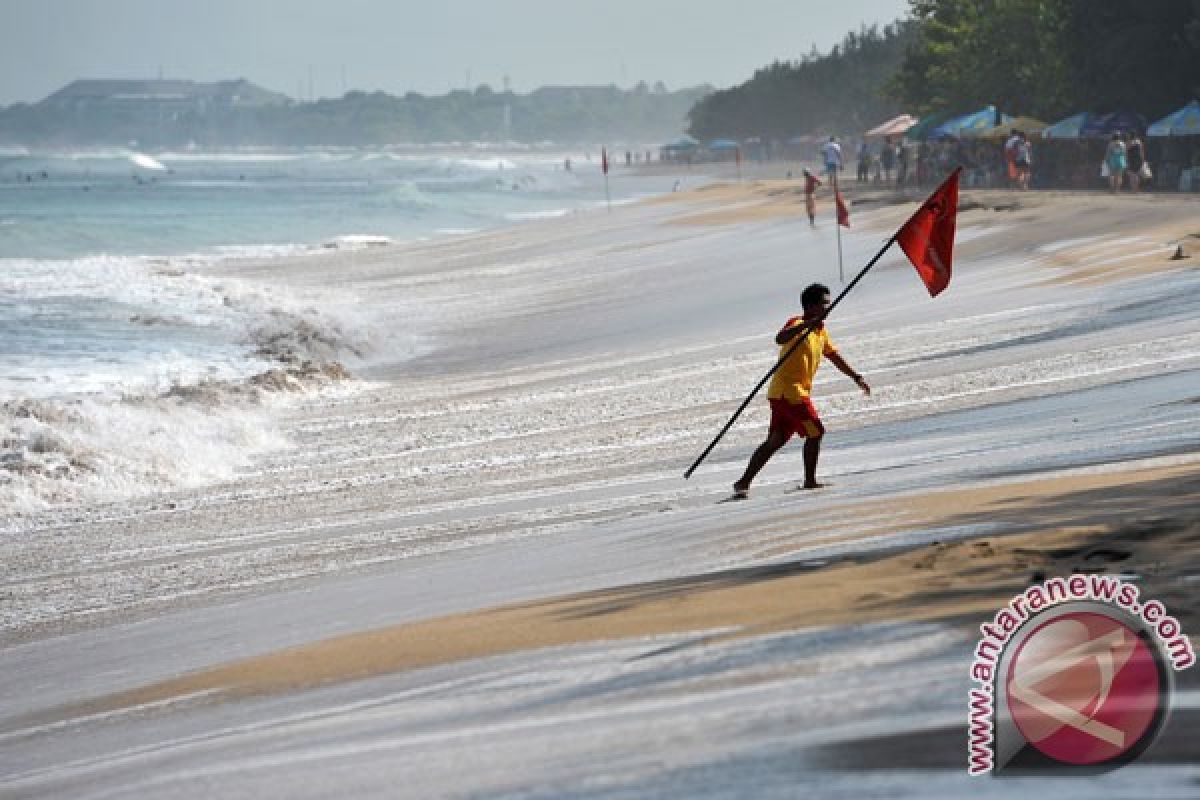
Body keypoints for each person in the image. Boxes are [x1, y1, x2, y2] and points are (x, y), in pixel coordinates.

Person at [732, 283, 870, 497]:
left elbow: (834, 356)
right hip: (791, 393)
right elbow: (780, 338)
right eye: (824, 303)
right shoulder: (797, 323)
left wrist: (856, 377)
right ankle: (810, 481)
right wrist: (804, 326)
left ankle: (743, 483)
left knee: (775, 440)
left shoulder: (821, 331)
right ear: (810, 306)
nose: (828, 307)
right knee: (816, 432)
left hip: (783, 394)